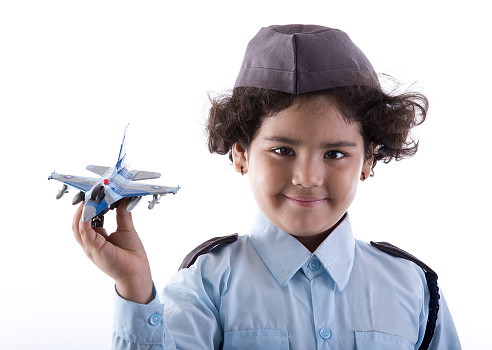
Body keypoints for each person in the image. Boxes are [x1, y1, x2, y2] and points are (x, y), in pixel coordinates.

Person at [73, 24, 461, 349]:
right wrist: (134, 285)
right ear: (241, 154)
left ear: (368, 159)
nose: (306, 178)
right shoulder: (206, 283)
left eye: (335, 154)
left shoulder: (414, 286)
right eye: (282, 149)